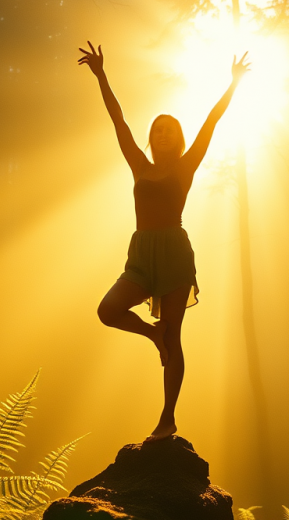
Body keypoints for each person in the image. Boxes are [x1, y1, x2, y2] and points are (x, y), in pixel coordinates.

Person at [78, 41, 250, 441]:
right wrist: (102, 76)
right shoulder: (139, 165)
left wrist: (234, 84)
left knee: (175, 335)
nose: (163, 134)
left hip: (174, 253)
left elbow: (211, 122)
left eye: (170, 130)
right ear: (152, 138)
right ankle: (151, 334)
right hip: (141, 255)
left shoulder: (186, 166)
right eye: (158, 130)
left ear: (178, 138)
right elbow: (117, 121)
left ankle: (167, 419)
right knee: (109, 310)